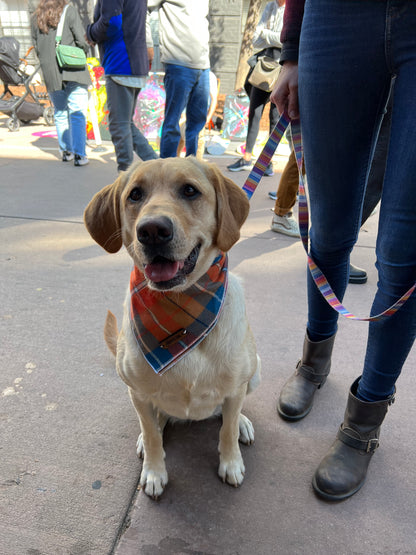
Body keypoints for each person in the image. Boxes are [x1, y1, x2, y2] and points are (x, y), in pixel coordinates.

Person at [271, 0, 416, 501]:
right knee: (328, 231)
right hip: (337, 16)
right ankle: (314, 363)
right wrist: (290, 53)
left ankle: (363, 423)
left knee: (405, 253)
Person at [86, 0, 157, 173]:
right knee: (126, 125)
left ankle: (125, 176)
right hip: (133, 61)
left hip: (120, 62)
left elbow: (112, 22)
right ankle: (158, 166)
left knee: (119, 125)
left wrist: (91, 33)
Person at [227, 0, 285, 176]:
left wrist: (267, 35)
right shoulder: (270, 7)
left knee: (275, 117)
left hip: (282, 68)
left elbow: (287, 39)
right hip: (264, 66)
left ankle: (267, 162)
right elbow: (255, 38)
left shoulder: (292, 8)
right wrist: (275, 37)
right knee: (254, 112)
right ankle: (246, 157)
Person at [147, 0, 211, 159]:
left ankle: (195, 171)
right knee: (172, 123)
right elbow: (142, 9)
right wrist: (148, 44)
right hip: (177, 63)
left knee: (197, 126)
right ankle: (166, 174)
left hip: (203, 65)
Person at [31, 0, 91, 166]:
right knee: (77, 113)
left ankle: (66, 152)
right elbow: (81, 41)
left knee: (60, 112)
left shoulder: (36, 17)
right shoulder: (69, 11)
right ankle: (80, 156)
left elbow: (36, 47)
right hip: (73, 70)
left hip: (51, 73)